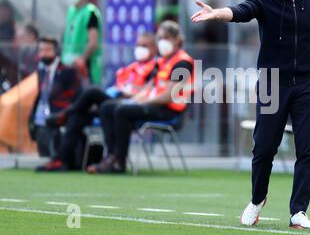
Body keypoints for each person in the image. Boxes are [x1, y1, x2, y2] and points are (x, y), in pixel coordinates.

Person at [191, 0, 310, 230]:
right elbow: (241, 11)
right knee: (264, 148)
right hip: (271, 82)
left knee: (307, 149)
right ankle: (257, 200)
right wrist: (218, 13)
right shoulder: (265, 0)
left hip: (307, 83)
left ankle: (298, 212)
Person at [35, 33, 158, 172]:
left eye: (145, 46)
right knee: (80, 115)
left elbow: (152, 91)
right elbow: (118, 86)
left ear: (154, 48)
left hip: (131, 104)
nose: (140, 49)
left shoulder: (156, 67)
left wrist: (131, 92)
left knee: (92, 92)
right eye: (138, 45)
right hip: (116, 101)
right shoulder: (131, 68)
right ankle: (61, 159)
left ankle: (65, 114)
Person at [87, 21, 194, 174]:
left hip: (169, 111)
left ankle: (119, 161)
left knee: (122, 111)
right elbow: (149, 87)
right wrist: (134, 99)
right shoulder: (161, 61)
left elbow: (168, 96)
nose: (162, 41)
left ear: (177, 40)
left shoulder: (183, 62)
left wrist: (138, 102)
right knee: (107, 107)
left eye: (166, 37)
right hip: (152, 104)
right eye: (160, 38)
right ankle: (111, 156)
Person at [29, 36, 81, 159]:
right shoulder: (41, 71)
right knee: (43, 156)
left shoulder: (67, 71)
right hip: (41, 119)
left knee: (55, 156)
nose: (43, 54)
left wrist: (62, 114)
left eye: (47, 50)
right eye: (41, 50)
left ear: (56, 51)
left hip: (59, 117)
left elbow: (75, 96)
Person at [62, 0, 103, 86]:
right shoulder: (71, 11)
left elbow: (93, 43)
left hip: (85, 68)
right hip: (68, 65)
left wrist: (82, 58)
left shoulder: (91, 12)